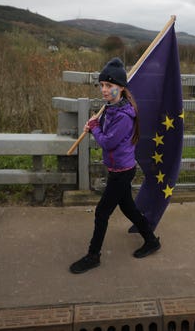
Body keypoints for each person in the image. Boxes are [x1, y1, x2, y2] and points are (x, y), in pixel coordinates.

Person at [69, 58, 160, 274]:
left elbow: (109, 142)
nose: (104, 89)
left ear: (120, 88)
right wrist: (95, 124)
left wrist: (94, 130)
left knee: (101, 212)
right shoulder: (111, 108)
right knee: (128, 207)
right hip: (118, 168)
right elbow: (105, 131)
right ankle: (151, 240)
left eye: (109, 86)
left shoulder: (124, 115)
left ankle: (93, 256)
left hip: (122, 172)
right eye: (102, 85)